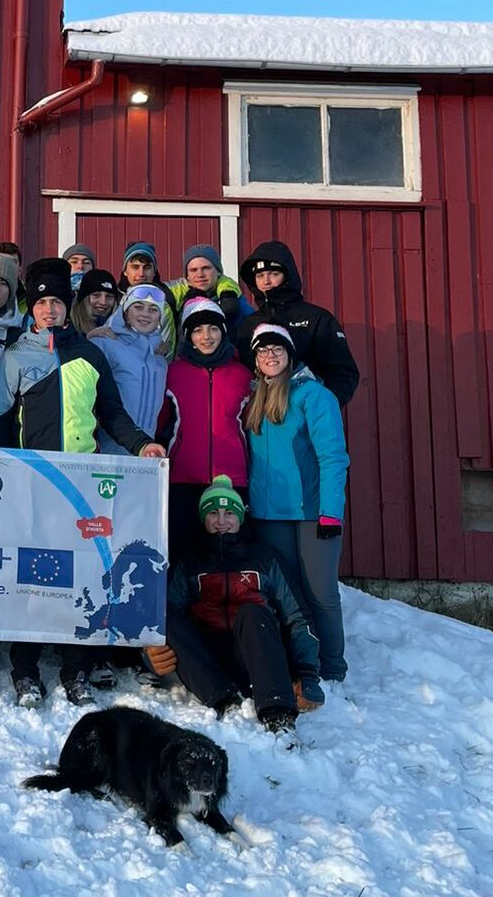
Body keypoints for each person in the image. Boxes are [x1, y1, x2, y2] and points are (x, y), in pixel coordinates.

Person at [0, 257, 164, 705]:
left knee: (85, 578)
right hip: (34, 481)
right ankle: (25, 669)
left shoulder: (89, 354)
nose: (50, 310)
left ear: (69, 308)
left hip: (83, 482)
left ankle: (76, 669)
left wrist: (143, 443)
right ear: (32, 308)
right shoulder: (14, 356)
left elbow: (112, 413)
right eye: (42, 302)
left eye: (57, 302)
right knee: (31, 577)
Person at [149, 476, 325, 732]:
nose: (221, 521)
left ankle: (278, 714)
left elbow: (298, 617)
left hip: (257, 658)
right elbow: (164, 615)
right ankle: (225, 702)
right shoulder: (189, 562)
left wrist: (307, 673)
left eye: (229, 512)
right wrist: (150, 653)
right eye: (213, 514)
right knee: (167, 617)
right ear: (203, 519)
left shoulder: (265, 559)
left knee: (253, 612)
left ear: (240, 517)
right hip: (208, 664)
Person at [242, 324, 350, 684]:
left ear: (290, 355)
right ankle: (299, 659)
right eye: (262, 351)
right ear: (256, 361)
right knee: (286, 595)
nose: (270, 356)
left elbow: (333, 457)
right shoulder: (254, 399)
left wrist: (331, 512)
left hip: (311, 514)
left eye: (277, 350)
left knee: (320, 592)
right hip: (269, 516)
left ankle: (332, 665)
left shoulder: (315, 397)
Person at [162, 299, 253, 558]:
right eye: (198, 330)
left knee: (231, 556)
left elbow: (252, 425)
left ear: (223, 332)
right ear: (189, 336)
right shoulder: (173, 373)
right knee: (183, 553)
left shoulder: (243, 375)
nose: (206, 336)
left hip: (232, 479)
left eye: (213, 329)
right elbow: (160, 423)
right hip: (183, 479)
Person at [238, 242, 361, 407]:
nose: (266, 281)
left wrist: (322, 407)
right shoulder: (248, 325)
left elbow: (344, 372)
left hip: (309, 417)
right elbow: (240, 374)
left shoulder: (317, 318)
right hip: (263, 419)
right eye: (260, 276)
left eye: (273, 274)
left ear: (287, 276)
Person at [88, 285, 176, 453]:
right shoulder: (105, 344)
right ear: (125, 313)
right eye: (138, 307)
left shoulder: (160, 359)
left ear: (160, 318)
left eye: (153, 310)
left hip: (145, 452)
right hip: (107, 452)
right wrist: (87, 338)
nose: (145, 314)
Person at [167, 245, 253, 335]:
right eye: (193, 270)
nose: (200, 274)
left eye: (206, 268)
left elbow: (254, 326)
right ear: (187, 275)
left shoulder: (234, 298)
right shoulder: (176, 297)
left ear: (218, 271)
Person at [117, 242, 177, 345]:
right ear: (125, 271)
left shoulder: (170, 294)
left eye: (147, 267)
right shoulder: (113, 297)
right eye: (135, 267)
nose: (141, 273)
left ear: (154, 271)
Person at [69, 268, 120, 339]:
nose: (103, 302)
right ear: (84, 298)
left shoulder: (122, 327)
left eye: (109, 296)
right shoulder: (67, 326)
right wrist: (88, 339)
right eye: (96, 295)